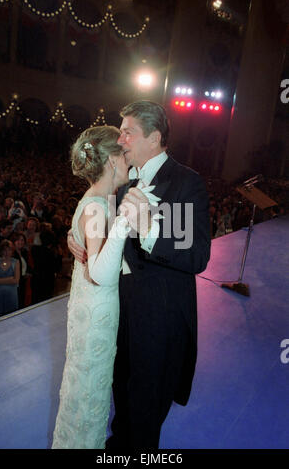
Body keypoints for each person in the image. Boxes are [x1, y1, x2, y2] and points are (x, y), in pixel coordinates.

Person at [68, 100, 211, 449]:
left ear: (155, 137)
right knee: (122, 398)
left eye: (129, 133)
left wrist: (149, 229)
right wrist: (77, 238)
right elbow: (96, 219)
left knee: (147, 413)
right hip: (119, 313)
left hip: (159, 320)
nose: (122, 141)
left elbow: (197, 256)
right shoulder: (119, 181)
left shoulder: (186, 183)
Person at [52, 125, 131, 449]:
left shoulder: (101, 201)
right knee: (90, 390)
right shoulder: (99, 205)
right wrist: (126, 222)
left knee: (86, 385)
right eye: (124, 154)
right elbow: (99, 271)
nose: (129, 160)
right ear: (112, 160)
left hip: (91, 305)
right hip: (97, 305)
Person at [0, 239, 20, 318]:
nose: (7, 252)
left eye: (9, 250)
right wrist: (10, 279)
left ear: (12, 250)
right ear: (1, 251)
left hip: (12, 296)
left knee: (11, 319)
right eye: (5, 250)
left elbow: (16, 280)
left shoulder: (16, 262)